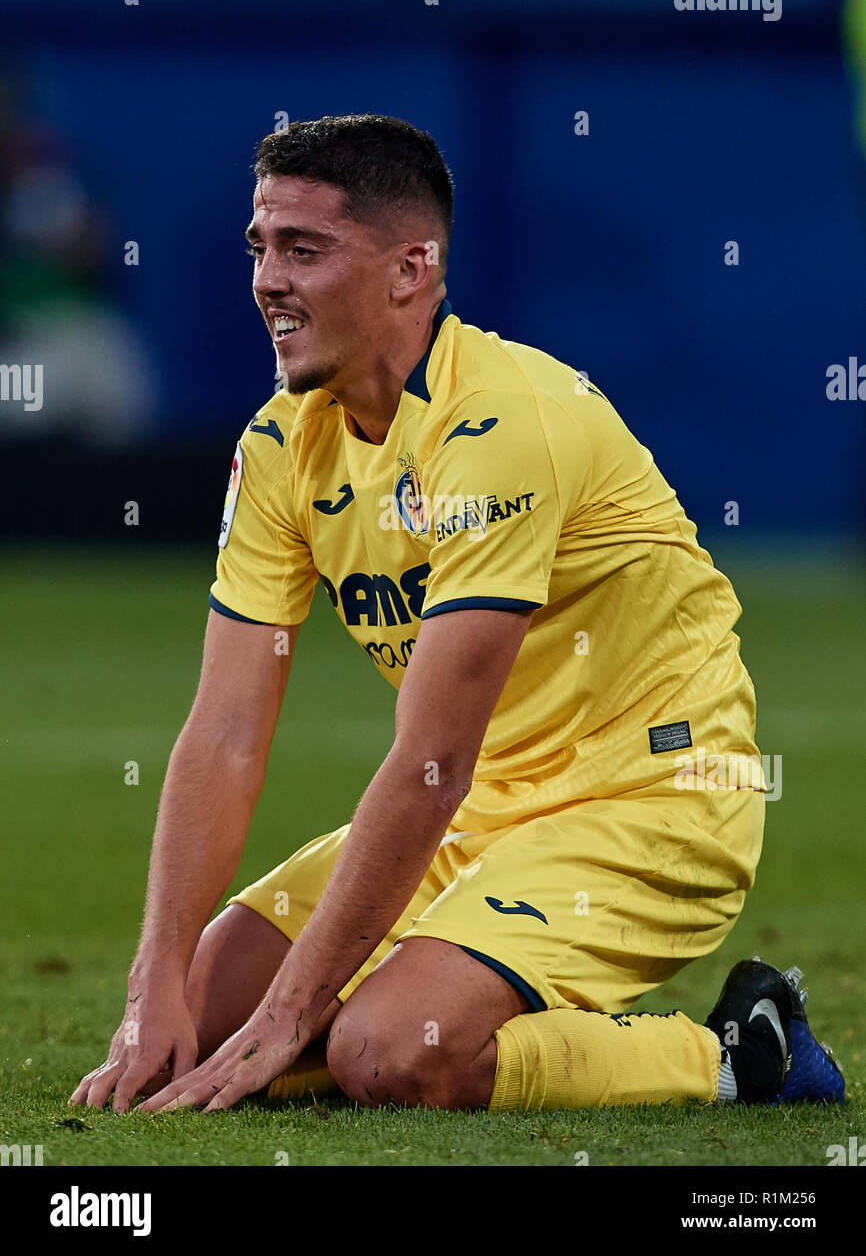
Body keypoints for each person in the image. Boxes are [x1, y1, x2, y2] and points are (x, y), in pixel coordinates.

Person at [70, 114, 843, 1116]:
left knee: (389, 1053)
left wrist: (292, 1014)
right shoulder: (277, 446)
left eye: (304, 249)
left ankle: (738, 1058)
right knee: (199, 1016)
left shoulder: (499, 426)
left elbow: (433, 757)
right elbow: (221, 733)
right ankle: (406, 1005)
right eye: (260, 246)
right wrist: (151, 988)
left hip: (648, 793)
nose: (267, 279)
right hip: (484, 806)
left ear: (411, 267)